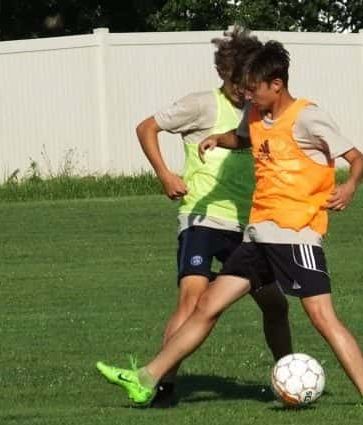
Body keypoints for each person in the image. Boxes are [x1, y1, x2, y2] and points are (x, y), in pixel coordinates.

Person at [97, 40, 363, 409]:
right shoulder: (255, 115)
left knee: (321, 317)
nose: (247, 94)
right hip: (256, 237)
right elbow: (244, 138)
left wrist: (349, 186)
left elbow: (356, 158)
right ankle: (145, 379)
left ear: (276, 85)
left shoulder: (308, 116)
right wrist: (220, 138)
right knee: (207, 307)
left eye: (254, 88)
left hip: (295, 236)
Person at [131, 28, 292, 407]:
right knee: (192, 301)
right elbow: (146, 127)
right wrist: (165, 174)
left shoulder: (260, 112)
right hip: (201, 219)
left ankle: (289, 376)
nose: (244, 89)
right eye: (237, 82)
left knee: (275, 305)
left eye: (249, 82)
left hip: (247, 226)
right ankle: (162, 387)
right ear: (223, 75)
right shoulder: (201, 105)